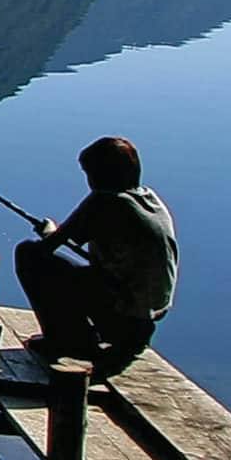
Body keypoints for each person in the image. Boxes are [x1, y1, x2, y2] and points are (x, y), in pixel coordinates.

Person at [15, 136, 178, 371]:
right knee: (82, 274)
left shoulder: (105, 201)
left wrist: (49, 230)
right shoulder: (150, 200)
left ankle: (64, 340)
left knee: (28, 254)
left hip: (122, 317)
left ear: (102, 175)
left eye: (89, 173)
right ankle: (95, 335)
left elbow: (48, 247)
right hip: (146, 319)